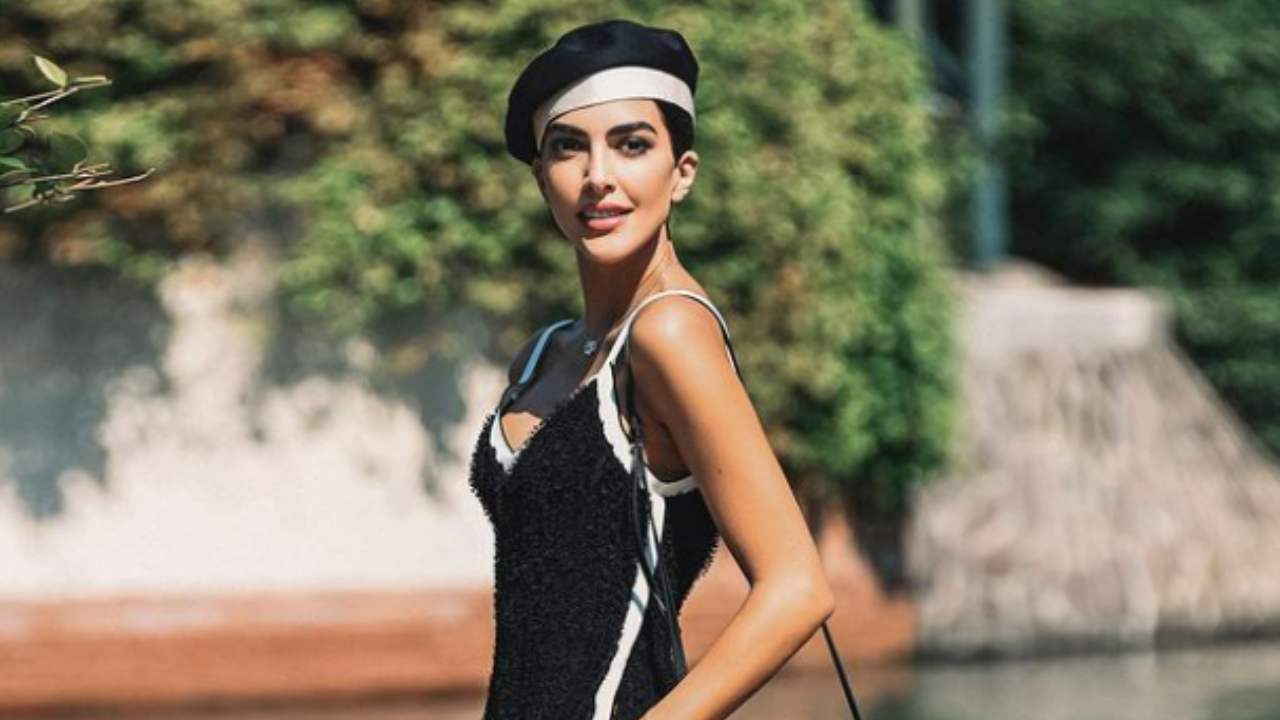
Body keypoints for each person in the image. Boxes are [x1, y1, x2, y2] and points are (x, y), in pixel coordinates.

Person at [467, 18, 835, 720]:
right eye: (568, 148)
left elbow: (797, 588)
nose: (598, 177)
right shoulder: (545, 353)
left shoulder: (670, 334)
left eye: (631, 145)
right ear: (542, 178)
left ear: (682, 172)